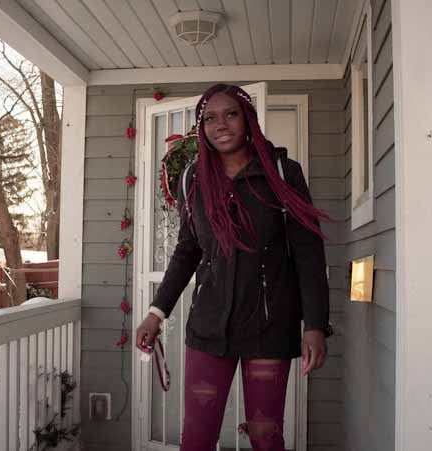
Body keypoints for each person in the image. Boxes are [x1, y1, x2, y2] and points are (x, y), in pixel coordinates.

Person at [135, 84, 332, 451]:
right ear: (201, 128)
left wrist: (316, 325)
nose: (220, 124)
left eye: (231, 114)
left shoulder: (282, 173)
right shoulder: (193, 179)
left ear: (247, 120)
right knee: (196, 438)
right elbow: (187, 251)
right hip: (209, 327)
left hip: (269, 328)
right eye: (209, 118)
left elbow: (308, 254)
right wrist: (154, 313)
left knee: (265, 435)